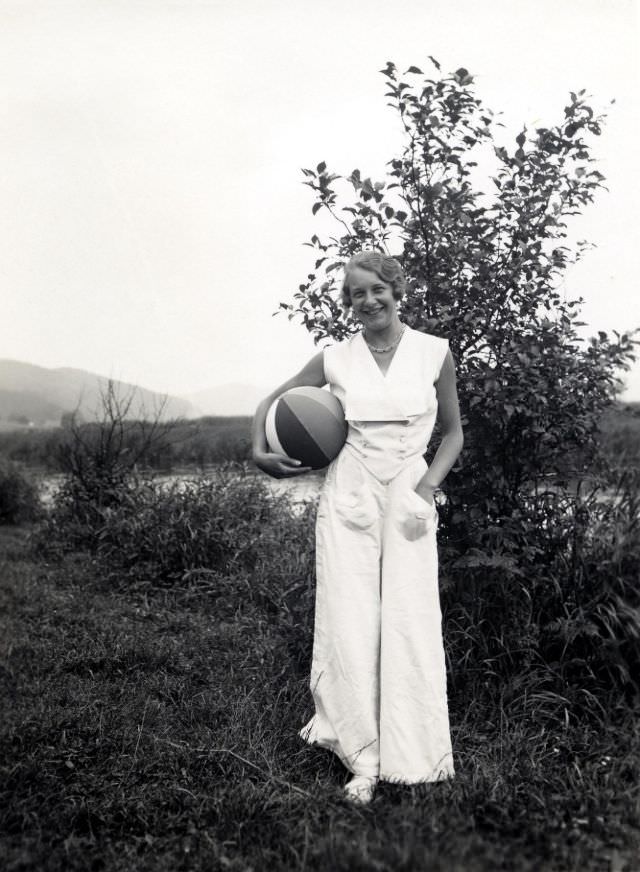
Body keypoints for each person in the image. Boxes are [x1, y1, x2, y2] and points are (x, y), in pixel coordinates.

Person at [252, 251, 464, 804]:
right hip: (349, 494)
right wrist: (259, 450)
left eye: (376, 290)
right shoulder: (335, 358)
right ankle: (361, 758)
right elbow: (269, 403)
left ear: (397, 290)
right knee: (350, 617)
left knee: (408, 616)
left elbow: (455, 433)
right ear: (348, 303)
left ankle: (415, 751)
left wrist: (427, 487)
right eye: (355, 294)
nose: (368, 302)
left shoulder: (433, 353)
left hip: (409, 498)